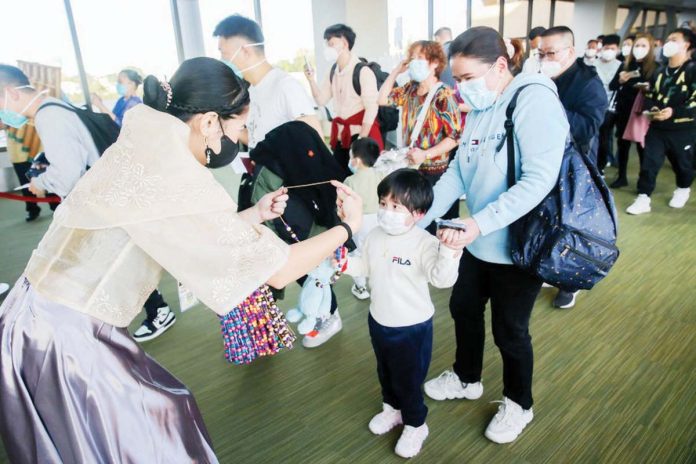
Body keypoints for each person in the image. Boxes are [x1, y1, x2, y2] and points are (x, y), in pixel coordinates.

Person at [0, 56, 364, 463]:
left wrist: (253, 215)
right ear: (210, 122)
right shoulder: (176, 173)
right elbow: (278, 271)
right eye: (239, 127)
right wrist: (346, 230)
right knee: (155, 433)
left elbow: (176, 227)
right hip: (66, 339)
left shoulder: (143, 144)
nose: (241, 139)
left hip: (29, 314)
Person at [420, 26, 568, 444]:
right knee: (463, 307)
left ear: (500, 65)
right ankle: (467, 377)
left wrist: (479, 222)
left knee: (510, 330)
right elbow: (457, 174)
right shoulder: (480, 108)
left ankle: (519, 403)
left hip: (519, 245)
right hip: (477, 241)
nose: (462, 89)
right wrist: (417, 218)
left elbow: (539, 180)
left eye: (467, 78)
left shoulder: (533, 98)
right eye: (457, 80)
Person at [344, 169, 463, 458]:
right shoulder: (373, 235)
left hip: (412, 327)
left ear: (419, 213)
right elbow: (365, 267)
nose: (387, 212)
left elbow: (442, 280)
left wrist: (449, 252)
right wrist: (344, 264)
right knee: (386, 373)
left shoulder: (424, 243)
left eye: (396, 207)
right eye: (384, 203)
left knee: (408, 380)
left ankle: (416, 423)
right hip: (379, 319)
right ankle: (392, 410)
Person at [245, 120, 348, 348]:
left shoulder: (292, 162)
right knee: (312, 275)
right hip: (291, 232)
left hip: (303, 226)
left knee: (317, 276)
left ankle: (326, 316)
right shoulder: (274, 168)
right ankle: (320, 314)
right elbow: (264, 214)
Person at [539, 26, 608, 309]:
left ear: (570, 51)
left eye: (551, 52)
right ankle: (547, 265)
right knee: (544, 220)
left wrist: (549, 102)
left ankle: (571, 282)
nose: (545, 58)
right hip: (543, 160)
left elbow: (588, 127)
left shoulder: (588, 82)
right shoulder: (541, 76)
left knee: (570, 225)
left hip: (575, 165)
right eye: (540, 53)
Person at [377, 40, 462, 226]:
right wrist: (395, 72)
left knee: (437, 222)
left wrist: (426, 154)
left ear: (435, 63)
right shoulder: (410, 89)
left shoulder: (444, 95)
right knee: (416, 221)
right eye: (412, 58)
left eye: (420, 58)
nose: (414, 62)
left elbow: (455, 136)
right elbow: (382, 99)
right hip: (413, 169)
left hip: (436, 173)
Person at [214, 14, 322, 149]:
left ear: (246, 51)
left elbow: (316, 143)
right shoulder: (251, 90)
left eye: (225, 54)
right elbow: (256, 139)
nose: (222, 60)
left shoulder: (285, 86)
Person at [0, 66, 99, 201]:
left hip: (97, 199)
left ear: (12, 94)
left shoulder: (49, 116)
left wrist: (39, 183)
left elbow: (68, 176)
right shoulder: (53, 105)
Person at [627, 28, 696, 214]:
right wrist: (653, 109)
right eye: (668, 39)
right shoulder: (659, 71)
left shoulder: (692, 70)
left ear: (686, 44)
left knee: (683, 164)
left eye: (674, 39)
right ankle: (643, 197)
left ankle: (683, 188)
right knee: (649, 162)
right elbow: (651, 95)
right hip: (657, 127)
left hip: (683, 129)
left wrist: (673, 111)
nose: (668, 43)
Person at [305, 23, 383, 174]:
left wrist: (361, 140)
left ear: (345, 44)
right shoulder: (333, 70)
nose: (328, 48)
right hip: (342, 136)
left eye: (332, 43)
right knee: (339, 176)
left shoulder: (363, 71)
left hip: (361, 135)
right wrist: (310, 79)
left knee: (360, 180)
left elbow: (372, 107)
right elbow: (321, 100)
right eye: (327, 44)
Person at [608, 33, 658, 188]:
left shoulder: (655, 68)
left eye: (643, 46)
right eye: (637, 45)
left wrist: (648, 89)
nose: (639, 49)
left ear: (650, 49)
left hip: (642, 111)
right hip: (624, 109)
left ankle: (643, 180)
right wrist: (621, 80)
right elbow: (612, 86)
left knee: (642, 146)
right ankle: (621, 176)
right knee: (623, 144)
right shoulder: (625, 65)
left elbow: (657, 91)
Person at [343, 137, 382, 300]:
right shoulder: (381, 175)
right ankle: (378, 282)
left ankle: (360, 287)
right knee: (377, 251)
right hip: (379, 220)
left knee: (358, 254)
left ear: (357, 160)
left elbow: (344, 207)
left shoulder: (349, 181)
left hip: (360, 222)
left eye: (351, 156)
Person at [595, 34, 623, 173]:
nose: (609, 51)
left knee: (604, 138)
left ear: (617, 49)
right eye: (607, 48)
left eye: (612, 48)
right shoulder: (594, 63)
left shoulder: (621, 66)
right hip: (594, 105)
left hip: (610, 107)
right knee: (592, 137)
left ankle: (600, 166)